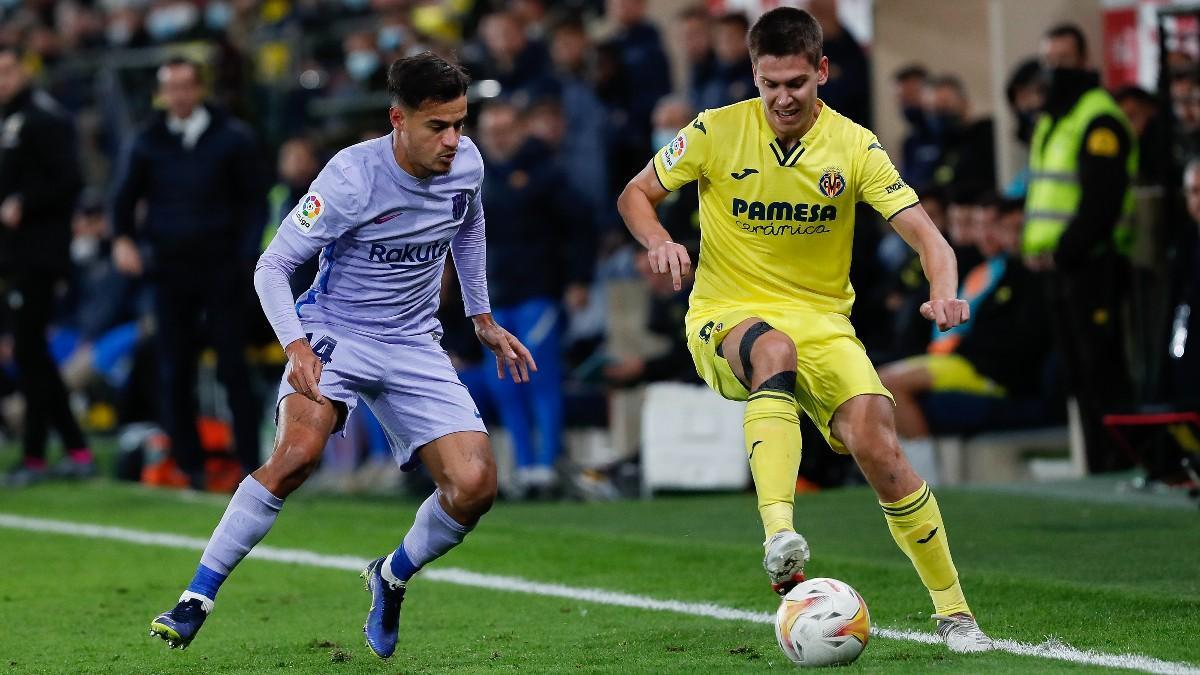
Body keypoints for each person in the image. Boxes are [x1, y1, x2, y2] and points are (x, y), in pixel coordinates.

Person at [616, 7, 992, 652]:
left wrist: (944, 292)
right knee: (775, 350)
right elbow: (635, 194)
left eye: (796, 82)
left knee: (879, 445)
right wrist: (658, 241)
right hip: (726, 313)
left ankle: (955, 613)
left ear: (822, 71)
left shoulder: (854, 145)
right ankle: (780, 538)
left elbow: (929, 238)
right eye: (770, 84)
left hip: (824, 321)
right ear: (754, 76)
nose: (783, 97)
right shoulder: (713, 131)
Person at [147, 52, 537, 659]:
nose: (453, 141)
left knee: (475, 485)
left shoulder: (467, 165)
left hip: (413, 341)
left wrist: (481, 317)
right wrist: (296, 345)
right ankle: (197, 596)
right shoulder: (351, 178)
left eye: (461, 124)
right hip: (337, 332)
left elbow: (469, 228)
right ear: (397, 120)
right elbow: (273, 267)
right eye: (438, 127)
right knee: (296, 457)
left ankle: (391, 575)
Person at [111, 57, 265, 487]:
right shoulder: (146, 141)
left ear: (199, 89)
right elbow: (122, 199)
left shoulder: (234, 138)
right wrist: (122, 239)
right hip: (169, 267)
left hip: (221, 267)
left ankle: (253, 465)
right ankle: (190, 464)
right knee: (173, 367)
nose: (177, 95)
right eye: (170, 87)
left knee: (234, 366)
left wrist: (247, 256)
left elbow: (255, 202)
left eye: (184, 86)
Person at [1022, 23, 1137, 473]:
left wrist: (1065, 251)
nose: (1054, 71)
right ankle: (1097, 465)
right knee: (1078, 377)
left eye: (1064, 62)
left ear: (1085, 63)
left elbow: (1101, 203)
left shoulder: (1098, 118)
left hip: (1092, 266)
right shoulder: (1055, 117)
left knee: (1103, 373)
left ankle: (1121, 466)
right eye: (1049, 62)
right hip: (1060, 270)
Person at [476, 99, 592, 498]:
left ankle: (545, 467)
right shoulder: (478, 175)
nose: (498, 139)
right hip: (494, 298)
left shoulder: (545, 172)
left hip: (538, 292)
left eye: (505, 129)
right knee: (505, 384)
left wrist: (578, 278)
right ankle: (525, 468)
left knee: (539, 377)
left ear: (521, 130)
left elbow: (581, 222)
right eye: (491, 131)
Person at [0, 45, 92, 485]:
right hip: (16, 254)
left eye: (8, 69)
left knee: (29, 350)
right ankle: (75, 449)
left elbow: (71, 179)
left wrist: (24, 202)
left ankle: (36, 455)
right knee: (32, 352)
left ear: (24, 69)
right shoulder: (10, 119)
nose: (2, 79)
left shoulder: (43, 117)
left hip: (40, 254)